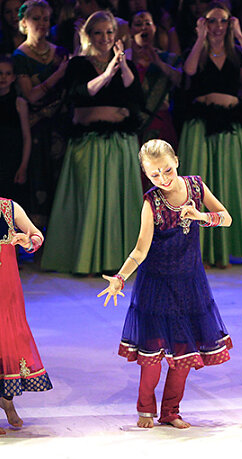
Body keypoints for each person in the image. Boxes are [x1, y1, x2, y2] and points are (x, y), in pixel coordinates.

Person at [98, 139, 233, 429]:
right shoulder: (151, 202)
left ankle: (171, 411)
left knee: (184, 354)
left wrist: (201, 216)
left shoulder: (195, 187)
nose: (163, 178)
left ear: (176, 161)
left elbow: (226, 218)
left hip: (189, 283)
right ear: (146, 175)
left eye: (167, 170)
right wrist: (120, 277)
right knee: (152, 357)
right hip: (157, 286)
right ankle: (145, 408)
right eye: (154, 174)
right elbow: (140, 249)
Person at [41, 10, 144, 275]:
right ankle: (86, 260)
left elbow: (136, 96)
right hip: (88, 142)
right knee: (89, 200)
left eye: (109, 32)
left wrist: (121, 66)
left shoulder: (125, 65)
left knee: (117, 200)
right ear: (88, 35)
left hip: (119, 141)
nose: (104, 38)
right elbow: (81, 93)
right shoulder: (78, 64)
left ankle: (118, 261)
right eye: (98, 32)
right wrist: (107, 73)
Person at [179, 1, 242, 267]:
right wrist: (200, 38)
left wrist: (239, 35)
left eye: (223, 21)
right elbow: (189, 70)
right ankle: (201, 250)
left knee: (228, 181)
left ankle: (224, 248)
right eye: (212, 21)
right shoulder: (197, 49)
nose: (217, 26)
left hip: (230, 124)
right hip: (201, 124)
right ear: (203, 23)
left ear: (230, 23)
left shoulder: (237, 51)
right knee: (201, 183)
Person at [12, 0, 69, 225]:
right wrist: (59, 74)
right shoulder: (20, 57)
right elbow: (31, 95)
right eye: (36, 18)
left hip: (61, 126)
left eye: (46, 18)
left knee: (61, 183)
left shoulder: (60, 52)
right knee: (38, 184)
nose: (42, 23)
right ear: (24, 23)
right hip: (35, 129)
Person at [0, 197, 53, 435]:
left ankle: (7, 402)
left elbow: (36, 236)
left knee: (9, 347)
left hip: (6, 293)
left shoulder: (8, 208)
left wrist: (28, 242)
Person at [129, 10, 181, 148]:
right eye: (138, 24)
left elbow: (182, 81)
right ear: (130, 30)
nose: (143, 27)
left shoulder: (167, 58)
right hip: (132, 123)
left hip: (160, 122)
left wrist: (159, 63)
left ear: (154, 28)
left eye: (148, 23)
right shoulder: (123, 58)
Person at [0, 55, 31, 205]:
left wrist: (23, 166)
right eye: (0, 73)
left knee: (10, 203)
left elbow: (26, 137)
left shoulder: (19, 103)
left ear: (13, 77)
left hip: (12, 159)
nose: (3, 77)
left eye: (8, 73)